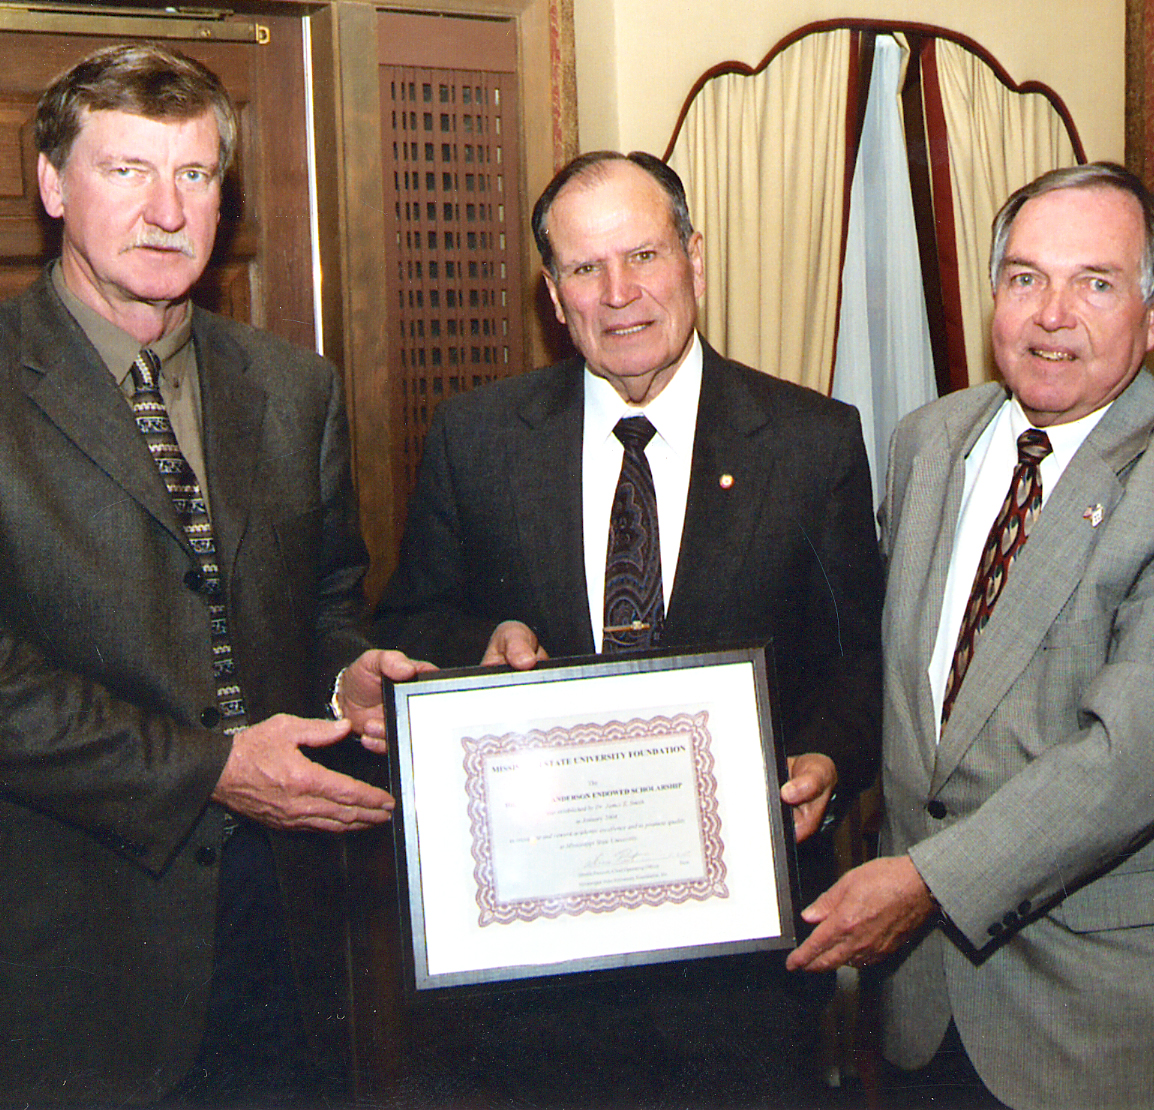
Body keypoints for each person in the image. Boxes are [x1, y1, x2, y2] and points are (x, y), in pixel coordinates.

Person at [0, 43, 429, 1107]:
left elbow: (326, 599)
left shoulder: (296, 390)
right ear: (53, 185)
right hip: (64, 958)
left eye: (194, 175)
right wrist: (206, 768)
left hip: (281, 937)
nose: (166, 210)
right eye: (126, 171)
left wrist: (348, 679)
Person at [375, 151, 883, 1105]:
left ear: (694, 255)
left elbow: (860, 660)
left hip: (739, 970)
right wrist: (478, 646)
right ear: (551, 292)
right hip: (534, 961)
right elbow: (413, 619)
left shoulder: (812, 441)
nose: (619, 295)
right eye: (583, 268)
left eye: (643, 255)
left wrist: (825, 758)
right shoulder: (477, 437)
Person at [786, 162, 1154, 1110]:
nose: (1050, 314)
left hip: (1115, 1030)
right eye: (1024, 278)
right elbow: (899, 677)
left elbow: (1128, 759)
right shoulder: (929, 440)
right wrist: (825, 752)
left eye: (1094, 283)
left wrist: (924, 883)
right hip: (924, 1008)